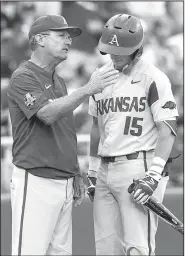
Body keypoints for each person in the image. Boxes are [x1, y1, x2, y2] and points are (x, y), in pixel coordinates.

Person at [7, 14, 119, 256]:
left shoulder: (58, 81)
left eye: (69, 35)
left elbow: (65, 131)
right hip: (36, 178)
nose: (68, 39)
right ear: (40, 39)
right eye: (61, 35)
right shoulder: (23, 76)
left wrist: (74, 173)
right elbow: (46, 115)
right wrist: (89, 89)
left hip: (63, 181)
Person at [87, 14, 179, 255]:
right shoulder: (99, 77)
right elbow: (97, 127)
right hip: (105, 169)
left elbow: (167, 131)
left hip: (139, 166)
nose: (114, 54)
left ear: (137, 49)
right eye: (110, 49)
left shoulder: (154, 78)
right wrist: (92, 172)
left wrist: (153, 175)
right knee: (106, 246)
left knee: (137, 247)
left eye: (121, 49)